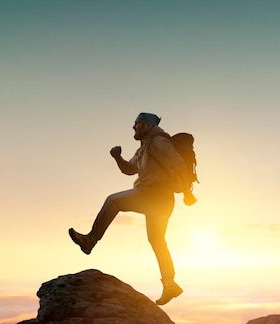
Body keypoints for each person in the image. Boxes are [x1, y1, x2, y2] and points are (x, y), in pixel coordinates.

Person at [68, 112, 196, 305]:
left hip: (154, 195)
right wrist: (117, 157)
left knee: (113, 201)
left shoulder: (158, 141)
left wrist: (187, 192)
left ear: (146, 126)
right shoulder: (143, 148)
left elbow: (176, 162)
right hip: (159, 199)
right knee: (156, 240)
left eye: (136, 124)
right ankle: (170, 284)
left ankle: (90, 240)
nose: (133, 128)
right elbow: (129, 169)